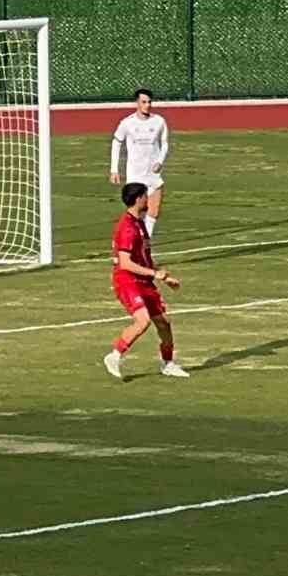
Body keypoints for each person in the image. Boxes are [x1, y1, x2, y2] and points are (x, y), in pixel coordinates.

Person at [103, 182, 187, 381]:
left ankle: (168, 364)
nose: (148, 199)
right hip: (128, 281)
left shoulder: (139, 223)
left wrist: (164, 277)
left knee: (164, 324)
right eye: (146, 196)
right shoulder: (127, 228)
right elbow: (125, 263)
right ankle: (114, 356)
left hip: (144, 280)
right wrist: (153, 273)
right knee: (143, 321)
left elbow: (144, 258)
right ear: (138, 199)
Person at [110, 88, 170, 239]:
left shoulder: (159, 122)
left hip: (153, 175)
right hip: (135, 175)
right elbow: (116, 143)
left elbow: (165, 143)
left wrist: (160, 162)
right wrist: (114, 170)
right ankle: (132, 240)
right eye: (144, 102)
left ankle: (145, 243)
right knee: (138, 212)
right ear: (137, 102)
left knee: (154, 211)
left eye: (149, 102)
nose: (147, 105)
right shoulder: (127, 123)